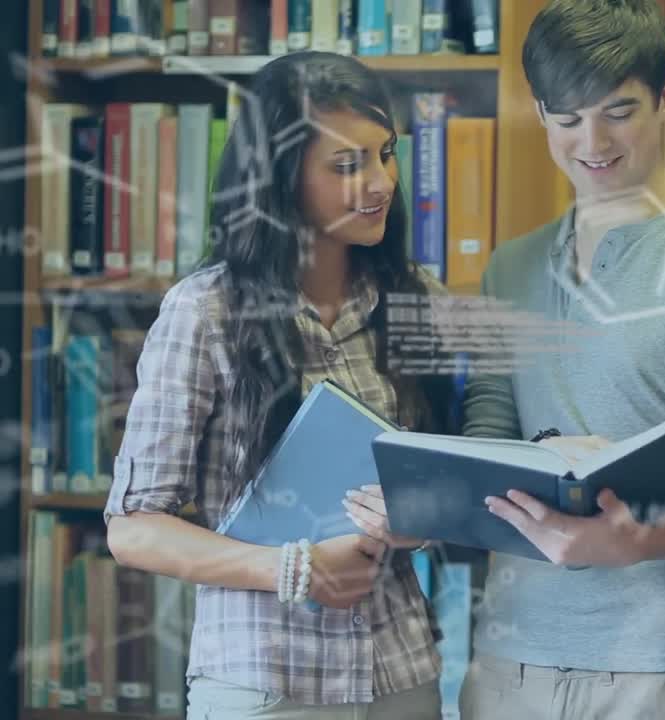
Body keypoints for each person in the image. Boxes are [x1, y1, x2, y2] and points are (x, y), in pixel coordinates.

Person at [103, 51, 454, 719]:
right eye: (348, 165)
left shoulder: (418, 302)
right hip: (267, 679)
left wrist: (422, 514)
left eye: (385, 155)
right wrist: (290, 569)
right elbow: (133, 529)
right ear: (282, 177)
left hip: (401, 674)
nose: (381, 183)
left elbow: (448, 473)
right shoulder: (204, 312)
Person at [461, 1, 665, 717]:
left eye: (618, 111)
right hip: (512, 661)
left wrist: (630, 543)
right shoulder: (509, 271)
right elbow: (485, 434)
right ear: (541, 113)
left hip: (661, 663)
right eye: (567, 118)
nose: (593, 142)